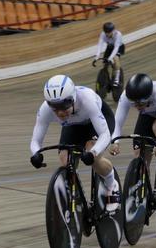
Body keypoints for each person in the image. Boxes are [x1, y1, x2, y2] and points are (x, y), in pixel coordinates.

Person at [30, 74, 120, 212]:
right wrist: (35, 154)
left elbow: (105, 135)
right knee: (65, 159)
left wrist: (93, 153)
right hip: (73, 125)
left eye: (64, 106)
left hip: (96, 121)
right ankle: (75, 192)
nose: (60, 112)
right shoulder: (45, 109)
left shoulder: (87, 100)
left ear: (73, 99)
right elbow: (36, 140)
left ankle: (111, 185)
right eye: (55, 107)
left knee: (93, 155)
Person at [109, 73, 156, 187]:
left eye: (140, 103)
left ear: (149, 96)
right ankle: (144, 187)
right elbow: (117, 123)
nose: (137, 106)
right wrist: (115, 142)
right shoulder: (126, 97)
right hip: (148, 114)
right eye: (134, 103)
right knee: (140, 152)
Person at [93, 22, 125, 87]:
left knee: (115, 59)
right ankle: (106, 78)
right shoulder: (103, 34)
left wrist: (110, 58)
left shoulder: (118, 34)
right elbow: (100, 45)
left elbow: (116, 48)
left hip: (119, 47)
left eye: (109, 32)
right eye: (106, 32)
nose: (107, 34)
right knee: (105, 63)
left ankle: (117, 79)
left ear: (113, 31)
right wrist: (97, 56)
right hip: (110, 47)